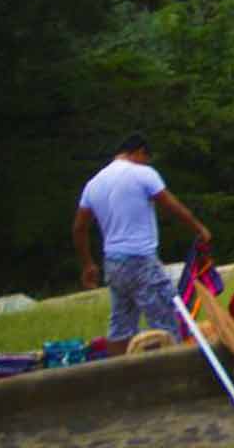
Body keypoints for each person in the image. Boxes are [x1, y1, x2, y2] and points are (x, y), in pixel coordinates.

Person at [72, 132, 212, 347]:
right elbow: (170, 204)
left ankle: (120, 374)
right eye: (146, 158)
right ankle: (173, 371)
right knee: (165, 321)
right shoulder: (142, 174)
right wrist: (199, 228)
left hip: (113, 263)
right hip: (141, 260)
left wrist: (88, 264)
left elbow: (79, 228)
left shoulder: (94, 184)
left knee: (121, 326)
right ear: (139, 152)